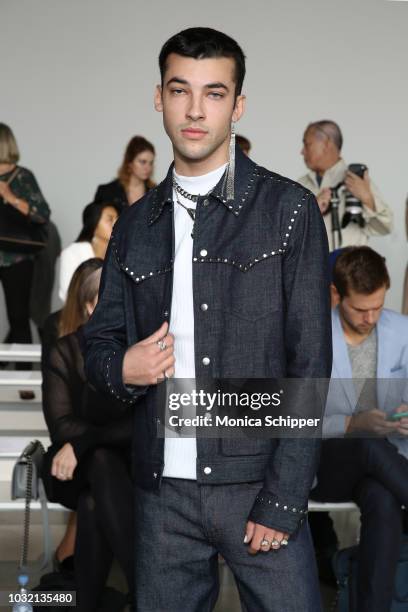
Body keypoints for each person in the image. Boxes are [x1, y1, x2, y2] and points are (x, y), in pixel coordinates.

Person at [83, 27, 331, 611]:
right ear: (159, 98)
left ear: (237, 105)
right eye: (180, 91)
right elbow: (97, 351)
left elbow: (311, 362)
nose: (195, 110)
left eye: (215, 93)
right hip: (163, 494)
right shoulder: (134, 226)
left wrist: (285, 496)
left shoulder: (288, 212)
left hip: (258, 484)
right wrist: (125, 365)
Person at [311, 246, 408, 612]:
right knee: (367, 444)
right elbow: (294, 415)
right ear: (337, 295)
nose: (370, 318)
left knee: (384, 503)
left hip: (387, 468)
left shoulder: (402, 331)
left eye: (378, 307)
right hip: (327, 464)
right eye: (360, 309)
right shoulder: (312, 336)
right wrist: (353, 423)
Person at [42, 258, 134, 612]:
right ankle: (143, 588)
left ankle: (87, 605)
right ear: (89, 305)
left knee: (94, 499)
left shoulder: (135, 352)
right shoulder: (64, 350)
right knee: (99, 462)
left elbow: (139, 426)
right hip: (70, 469)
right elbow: (61, 425)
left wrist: (84, 442)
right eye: (107, 302)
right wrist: (85, 444)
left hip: (121, 465)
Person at [298, 120, 392, 250]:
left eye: (307, 144)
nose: (302, 151)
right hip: (312, 268)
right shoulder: (300, 186)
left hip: (349, 269)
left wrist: (367, 199)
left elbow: (385, 227)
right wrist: (312, 210)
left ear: (326, 144)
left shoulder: (357, 180)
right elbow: (288, 234)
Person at [0, 123, 50, 355]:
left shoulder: (22, 177)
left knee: (18, 316)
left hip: (17, 257)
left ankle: (25, 377)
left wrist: (10, 197)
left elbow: (42, 214)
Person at [58, 201, 118, 302]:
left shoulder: (121, 253)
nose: (116, 223)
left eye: (118, 218)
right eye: (110, 219)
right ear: (94, 225)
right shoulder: (72, 253)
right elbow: (67, 294)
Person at [94, 135, 155, 210]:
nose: (148, 168)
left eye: (151, 163)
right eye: (143, 162)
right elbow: (96, 220)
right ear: (130, 162)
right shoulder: (107, 192)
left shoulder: (156, 193)